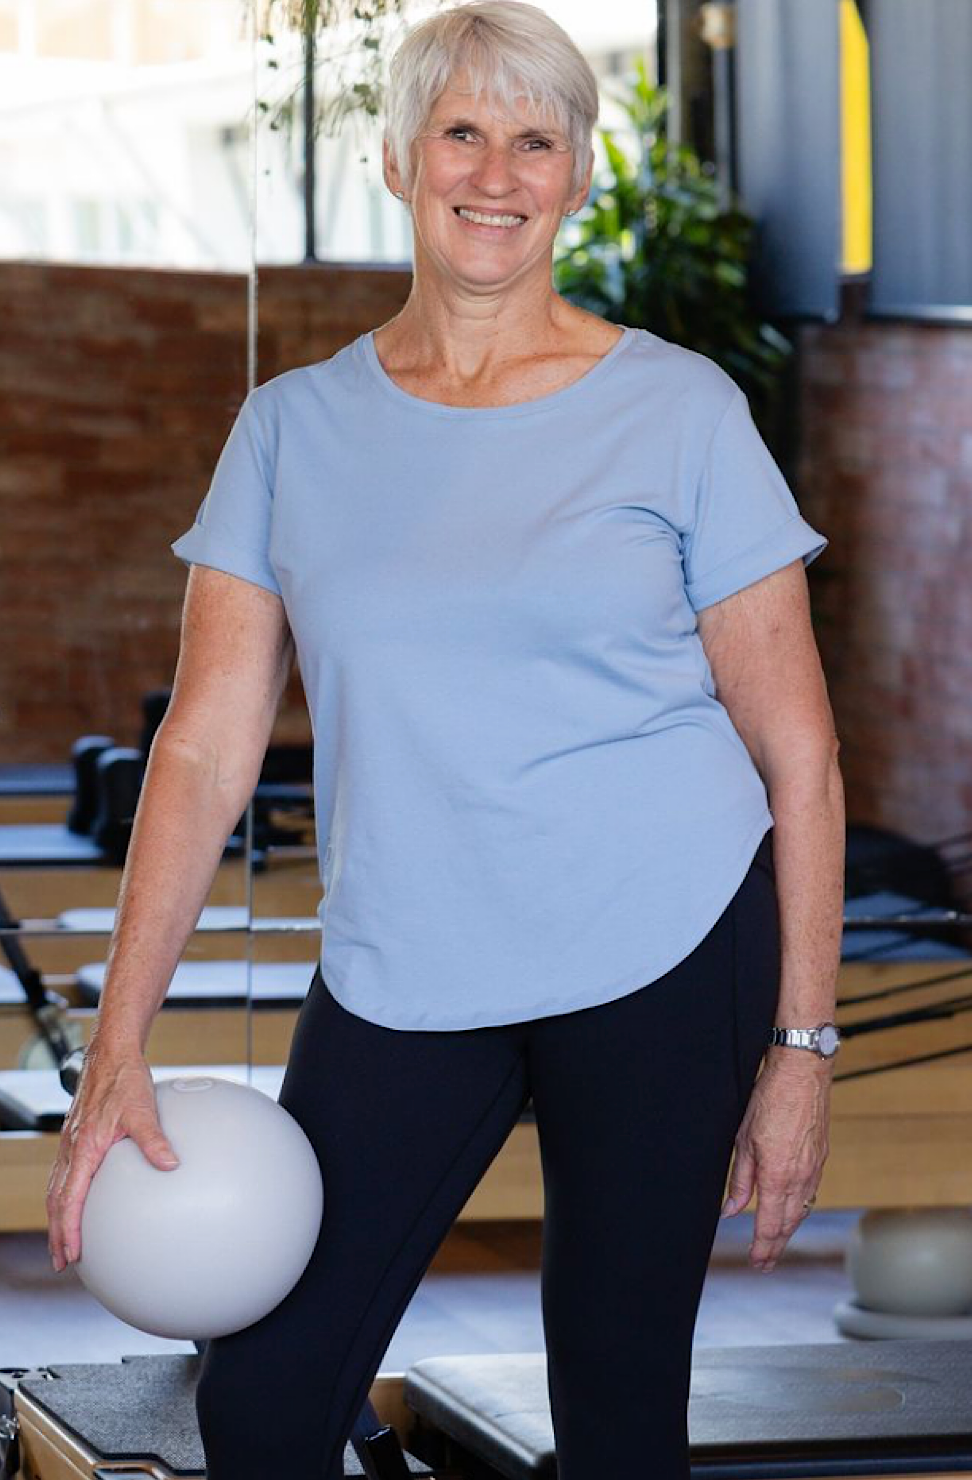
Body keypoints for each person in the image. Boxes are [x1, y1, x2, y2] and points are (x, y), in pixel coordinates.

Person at [46, 2, 845, 1475]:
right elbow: (205, 752)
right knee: (265, 1401)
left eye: (535, 139)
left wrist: (800, 1049)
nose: (495, 172)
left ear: (578, 175)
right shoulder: (290, 428)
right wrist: (118, 1044)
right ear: (400, 161)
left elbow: (798, 755)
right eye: (461, 132)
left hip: (667, 943)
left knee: (617, 1406)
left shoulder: (679, 410)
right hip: (406, 963)